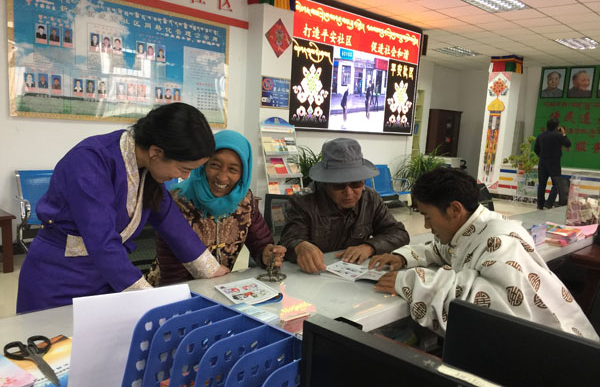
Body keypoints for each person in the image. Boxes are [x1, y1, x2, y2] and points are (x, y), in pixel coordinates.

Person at [17, 103, 229, 313]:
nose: (185, 176)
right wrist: (149, 298)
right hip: (58, 278)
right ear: (156, 152)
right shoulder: (90, 160)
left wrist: (212, 270)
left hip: (109, 275)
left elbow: (171, 221)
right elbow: (101, 239)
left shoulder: (146, 168)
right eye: (184, 169)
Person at [369, 167, 599, 342]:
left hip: (555, 354)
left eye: (428, 216)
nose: (427, 226)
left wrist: (413, 281)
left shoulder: (502, 242)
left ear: (455, 209)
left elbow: (486, 309)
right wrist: (404, 257)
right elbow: (447, 250)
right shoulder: (476, 228)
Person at [147, 130, 286, 286]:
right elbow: (173, 274)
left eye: (232, 169)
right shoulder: (177, 201)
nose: (222, 177)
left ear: (243, 173)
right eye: (215, 165)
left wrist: (267, 255)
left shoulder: (245, 200)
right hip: (173, 290)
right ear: (203, 164)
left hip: (221, 287)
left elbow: (260, 242)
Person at [279, 138, 409, 273]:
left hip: (355, 274)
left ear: (364, 181)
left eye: (356, 183)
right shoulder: (303, 202)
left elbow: (399, 233)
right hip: (312, 275)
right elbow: (289, 240)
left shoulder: (370, 199)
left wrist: (369, 247)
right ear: (326, 183)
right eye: (339, 185)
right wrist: (300, 246)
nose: (349, 193)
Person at [534, 119, 571, 209]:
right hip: (554, 164)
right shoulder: (558, 136)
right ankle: (549, 203)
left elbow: (536, 149)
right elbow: (568, 144)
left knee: (542, 184)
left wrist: (542, 156)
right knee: (556, 185)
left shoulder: (541, 135)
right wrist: (564, 134)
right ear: (556, 127)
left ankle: (540, 204)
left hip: (542, 163)